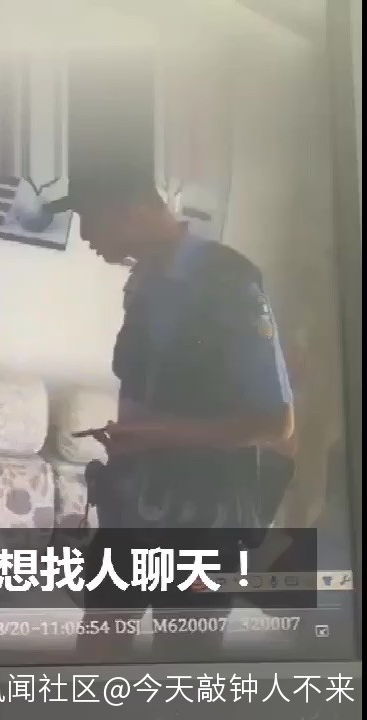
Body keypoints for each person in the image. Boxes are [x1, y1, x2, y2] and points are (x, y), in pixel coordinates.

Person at [47, 175, 295, 659]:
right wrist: (135, 437)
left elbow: (275, 422)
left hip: (204, 522)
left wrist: (155, 435)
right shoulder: (144, 280)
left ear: (134, 208)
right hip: (130, 510)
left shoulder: (227, 278)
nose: (86, 235)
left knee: (182, 666)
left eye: (91, 218)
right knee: (95, 656)